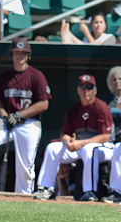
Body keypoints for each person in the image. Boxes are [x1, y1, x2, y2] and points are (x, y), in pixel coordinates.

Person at [0, 38, 51, 194]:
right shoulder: (5, 76)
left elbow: (43, 104)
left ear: (28, 55)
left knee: (25, 163)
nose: (19, 56)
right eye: (16, 53)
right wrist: (5, 116)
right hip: (9, 120)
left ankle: (24, 194)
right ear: (11, 55)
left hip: (29, 122)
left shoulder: (36, 75)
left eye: (22, 53)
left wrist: (20, 115)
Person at [35, 74, 114, 202]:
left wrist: (80, 143)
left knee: (89, 150)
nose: (86, 91)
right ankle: (46, 188)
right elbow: (65, 133)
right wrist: (67, 141)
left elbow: (105, 136)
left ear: (95, 90)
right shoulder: (74, 110)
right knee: (52, 148)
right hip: (79, 146)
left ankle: (90, 191)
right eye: (83, 87)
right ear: (78, 90)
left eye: (89, 87)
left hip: (103, 148)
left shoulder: (101, 107)